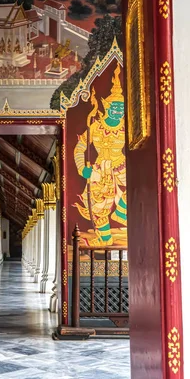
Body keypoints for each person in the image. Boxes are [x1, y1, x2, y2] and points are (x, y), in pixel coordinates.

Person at [74, 65, 126, 245]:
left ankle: (120, 214)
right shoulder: (95, 126)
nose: (119, 111)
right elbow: (79, 149)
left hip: (121, 164)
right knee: (98, 207)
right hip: (100, 167)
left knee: (137, 187)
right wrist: (82, 169)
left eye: (122, 107)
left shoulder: (126, 127)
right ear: (106, 105)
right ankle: (105, 240)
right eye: (116, 107)